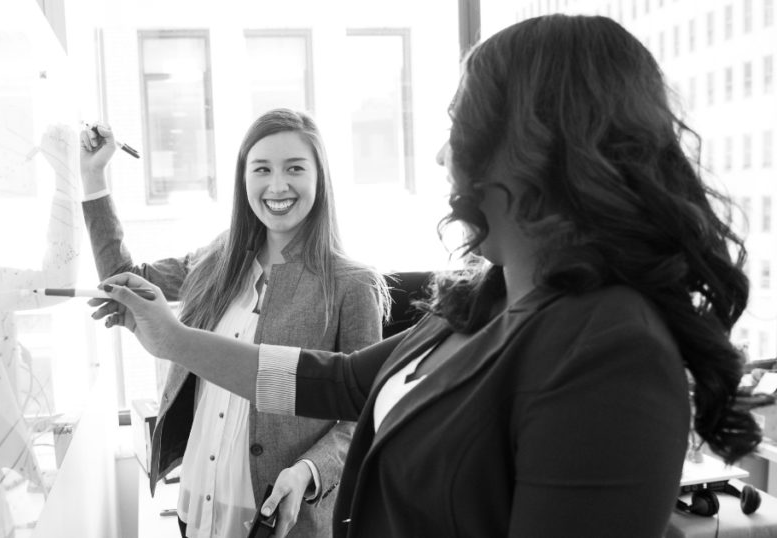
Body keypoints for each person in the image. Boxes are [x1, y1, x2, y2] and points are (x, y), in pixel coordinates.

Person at [91, 14, 762, 538]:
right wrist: (174, 341)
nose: (444, 153)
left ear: (536, 143)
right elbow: (342, 380)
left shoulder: (610, 349)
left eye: (458, 125)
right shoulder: (483, 297)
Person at [79, 108, 389, 538]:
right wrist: (94, 178)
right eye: (261, 169)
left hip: (276, 520)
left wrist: (307, 472)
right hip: (197, 508)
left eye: (294, 168)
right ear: (244, 180)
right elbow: (123, 282)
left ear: (320, 178)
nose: (277, 185)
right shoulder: (218, 259)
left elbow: (363, 417)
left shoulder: (351, 285)